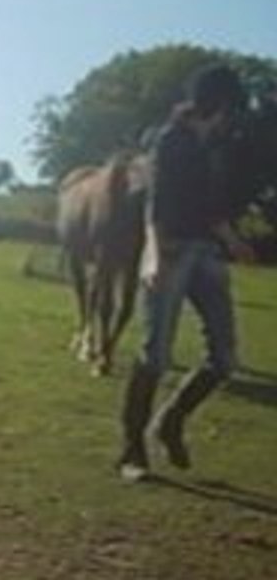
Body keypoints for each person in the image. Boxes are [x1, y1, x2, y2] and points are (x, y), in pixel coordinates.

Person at [117, 63, 256, 482]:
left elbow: (212, 207)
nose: (231, 118)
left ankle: (171, 420)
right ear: (218, 105)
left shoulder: (213, 147)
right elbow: (155, 207)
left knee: (225, 360)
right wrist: (155, 257)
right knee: (156, 355)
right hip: (172, 251)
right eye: (230, 108)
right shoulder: (169, 142)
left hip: (207, 255)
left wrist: (232, 241)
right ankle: (131, 449)